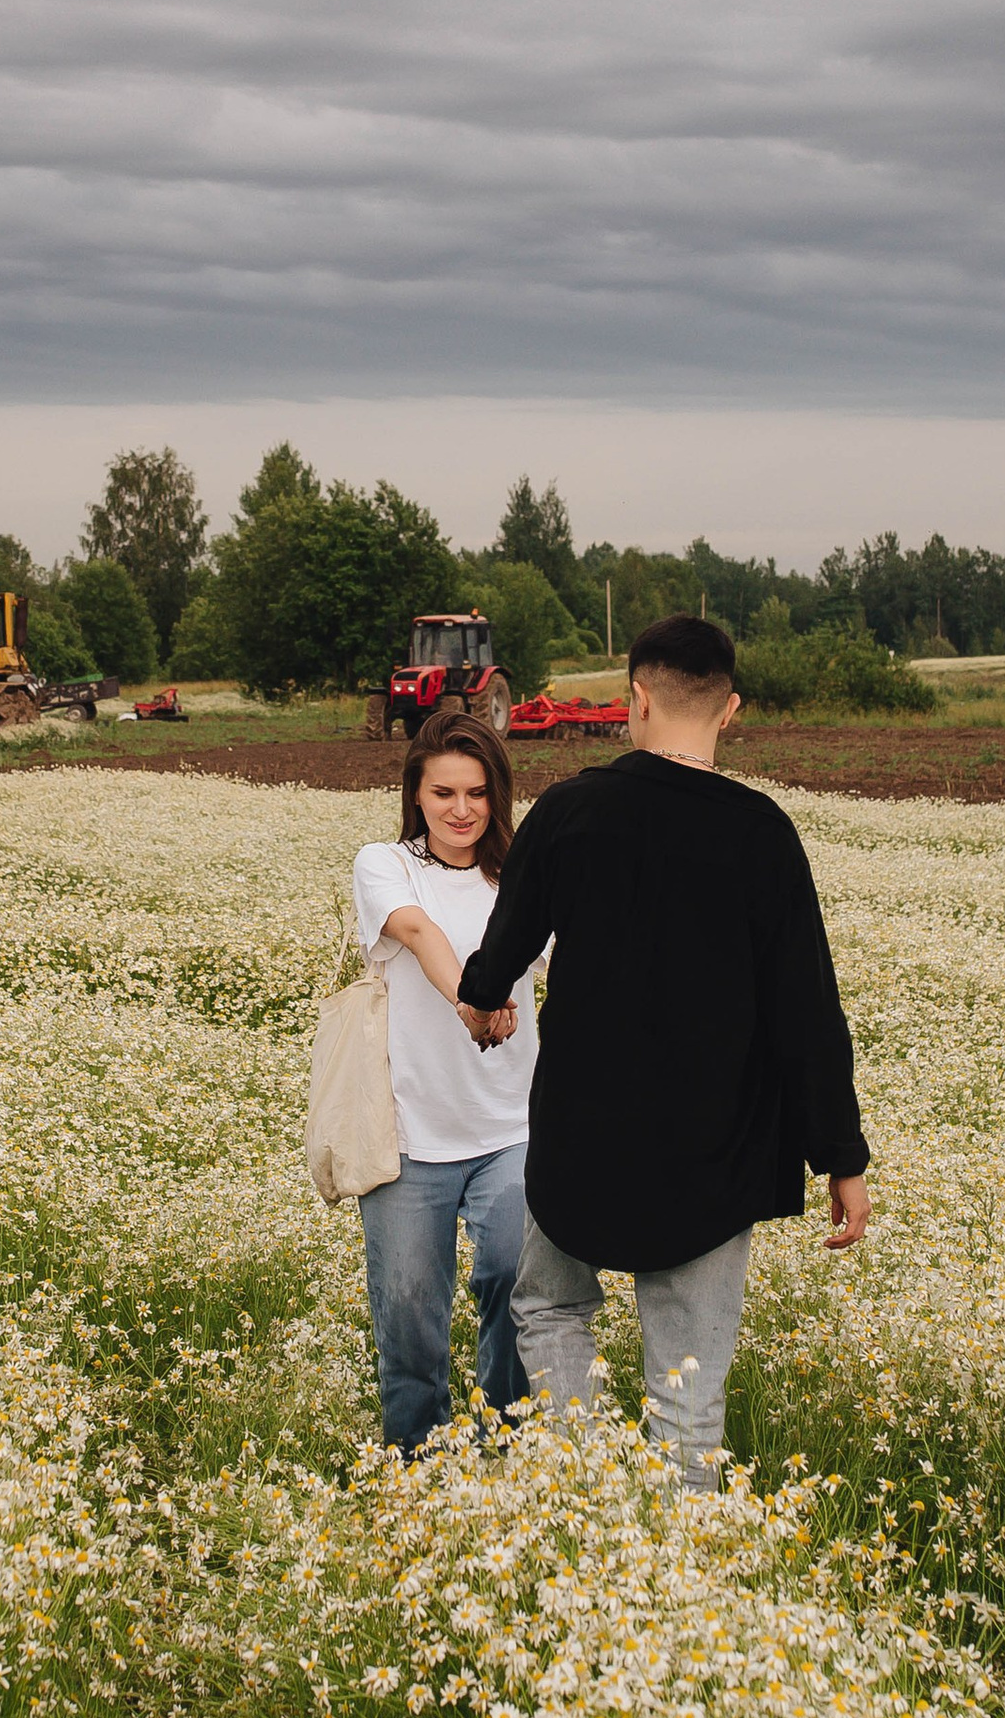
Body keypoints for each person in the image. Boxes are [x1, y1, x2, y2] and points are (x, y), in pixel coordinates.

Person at [453, 611, 869, 1492]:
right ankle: (683, 1555)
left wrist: (482, 999)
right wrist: (842, 1158)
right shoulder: (763, 833)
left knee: (550, 1304)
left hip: (581, 1141)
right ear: (730, 711)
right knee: (688, 1390)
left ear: (634, 699)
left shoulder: (571, 810)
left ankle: (577, 1484)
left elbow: (506, 944)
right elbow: (808, 1010)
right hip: (715, 1154)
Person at [348, 718, 543, 1455]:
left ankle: (509, 1444)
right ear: (416, 794)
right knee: (408, 1313)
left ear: (499, 797)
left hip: (512, 1129)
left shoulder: (526, 873)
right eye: (444, 793)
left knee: (513, 1287)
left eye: (478, 794)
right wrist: (476, 1000)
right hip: (408, 1133)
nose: (461, 811)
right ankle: (416, 1463)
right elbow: (423, 935)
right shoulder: (385, 863)